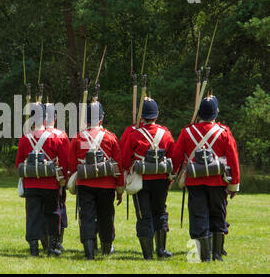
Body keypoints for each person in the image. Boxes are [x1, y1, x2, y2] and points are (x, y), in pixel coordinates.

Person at [172, 95, 240, 262]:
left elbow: (176, 156)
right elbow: (233, 160)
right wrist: (233, 185)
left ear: (199, 113)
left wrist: (172, 175)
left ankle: (200, 257)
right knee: (218, 215)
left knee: (198, 216)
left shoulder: (187, 131)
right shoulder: (224, 132)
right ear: (215, 113)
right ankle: (216, 254)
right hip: (218, 181)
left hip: (194, 181)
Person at [68, 101, 124, 259]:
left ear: (86, 120)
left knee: (86, 216)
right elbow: (118, 165)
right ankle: (106, 248)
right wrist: (120, 190)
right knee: (106, 216)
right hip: (106, 185)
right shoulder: (110, 137)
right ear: (101, 118)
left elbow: (72, 165)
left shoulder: (78, 138)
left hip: (85, 184)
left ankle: (89, 251)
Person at [122, 98, 175, 259]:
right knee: (160, 212)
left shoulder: (134, 134)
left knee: (143, 215)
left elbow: (125, 160)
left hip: (141, 180)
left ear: (141, 117)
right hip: (161, 180)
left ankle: (147, 254)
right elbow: (173, 156)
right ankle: (161, 250)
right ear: (156, 116)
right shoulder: (165, 133)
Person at [15, 102, 69, 257]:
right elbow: (64, 164)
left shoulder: (25, 139)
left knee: (32, 216)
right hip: (50, 184)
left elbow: (19, 163)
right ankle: (53, 247)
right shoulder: (55, 138)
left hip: (31, 184)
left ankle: (34, 248)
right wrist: (61, 183)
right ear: (45, 119)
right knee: (53, 214)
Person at [41, 103, 70, 253]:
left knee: (40, 212)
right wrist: (62, 183)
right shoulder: (61, 136)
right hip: (55, 181)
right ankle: (55, 242)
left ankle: (45, 242)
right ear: (56, 117)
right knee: (58, 210)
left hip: (36, 183)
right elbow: (65, 163)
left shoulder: (30, 135)